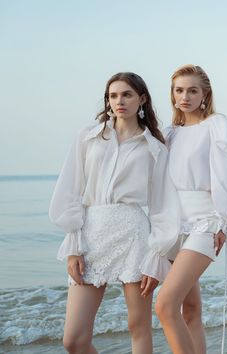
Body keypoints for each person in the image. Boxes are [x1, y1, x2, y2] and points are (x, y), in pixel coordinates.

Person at [49, 72, 180, 354]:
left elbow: (162, 206)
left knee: (138, 327)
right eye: (113, 95)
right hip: (91, 234)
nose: (119, 101)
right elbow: (70, 190)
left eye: (127, 95)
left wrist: (157, 256)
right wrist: (73, 245)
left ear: (142, 99)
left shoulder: (155, 148)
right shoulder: (88, 137)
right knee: (74, 339)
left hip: (135, 237)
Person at [155, 64, 227, 354]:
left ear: (205, 94)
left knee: (165, 305)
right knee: (190, 310)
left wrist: (223, 222)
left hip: (206, 222)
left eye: (192, 90)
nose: (185, 96)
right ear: (172, 94)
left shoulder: (216, 125)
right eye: (179, 90)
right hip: (175, 226)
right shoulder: (169, 134)